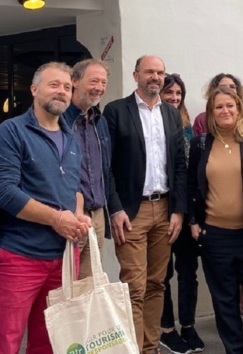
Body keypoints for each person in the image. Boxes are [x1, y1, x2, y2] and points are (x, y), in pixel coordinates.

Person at [0, 62, 90, 354]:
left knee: (51, 341)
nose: (62, 92)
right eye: (54, 84)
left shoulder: (71, 136)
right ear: (34, 90)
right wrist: (57, 219)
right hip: (19, 258)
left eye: (68, 87)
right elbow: (3, 192)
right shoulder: (11, 132)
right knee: (3, 341)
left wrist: (79, 215)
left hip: (64, 258)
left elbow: (75, 189)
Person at [103, 55, 187, 354]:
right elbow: (106, 166)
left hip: (164, 209)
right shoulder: (115, 111)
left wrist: (178, 210)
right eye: (150, 71)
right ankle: (133, 349)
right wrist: (114, 207)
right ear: (136, 74)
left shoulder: (171, 114)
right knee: (134, 288)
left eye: (160, 72)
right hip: (131, 212)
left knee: (157, 285)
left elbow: (179, 165)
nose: (156, 76)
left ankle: (151, 348)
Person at [188, 87, 243, 354]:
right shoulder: (200, 144)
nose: (225, 111)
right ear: (210, 112)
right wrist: (194, 221)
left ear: (238, 109)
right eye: (219, 107)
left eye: (230, 105)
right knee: (225, 303)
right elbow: (194, 185)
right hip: (215, 236)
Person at [159, 73, 204, 353]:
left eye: (178, 93)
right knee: (163, 274)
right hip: (161, 210)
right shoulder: (154, 126)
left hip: (188, 211)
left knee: (189, 272)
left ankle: (188, 324)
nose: (174, 97)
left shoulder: (189, 130)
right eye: (169, 93)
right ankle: (166, 328)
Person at [61, 58, 113, 278]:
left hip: (97, 214)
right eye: (93, 81)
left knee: (89, 289)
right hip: (70, 214)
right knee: (63, 287)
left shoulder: (99, 121)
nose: (99, 87)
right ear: (74, 81)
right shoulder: (59, 119)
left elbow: (106, 169)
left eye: (103, 82)